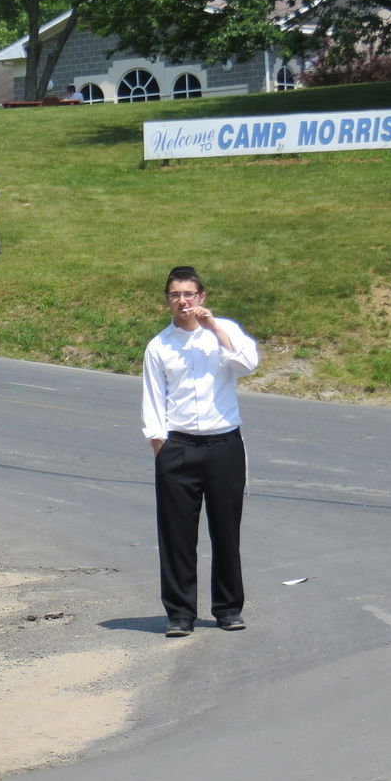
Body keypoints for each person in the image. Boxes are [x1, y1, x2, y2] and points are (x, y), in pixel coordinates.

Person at [141, 267, 259, 638]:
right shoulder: (159, 346)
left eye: (189, 294)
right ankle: (179, 614)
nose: (183, 301)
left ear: (202, 297)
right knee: (177, 536)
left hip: (223, 444)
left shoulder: (224, 333)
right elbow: (152, 402)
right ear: (167, 300)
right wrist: (161, 448)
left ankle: (227, 608)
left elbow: (246, 365)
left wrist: (216, 330)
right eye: (175, 295)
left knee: (226, 531)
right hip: (179, 447)